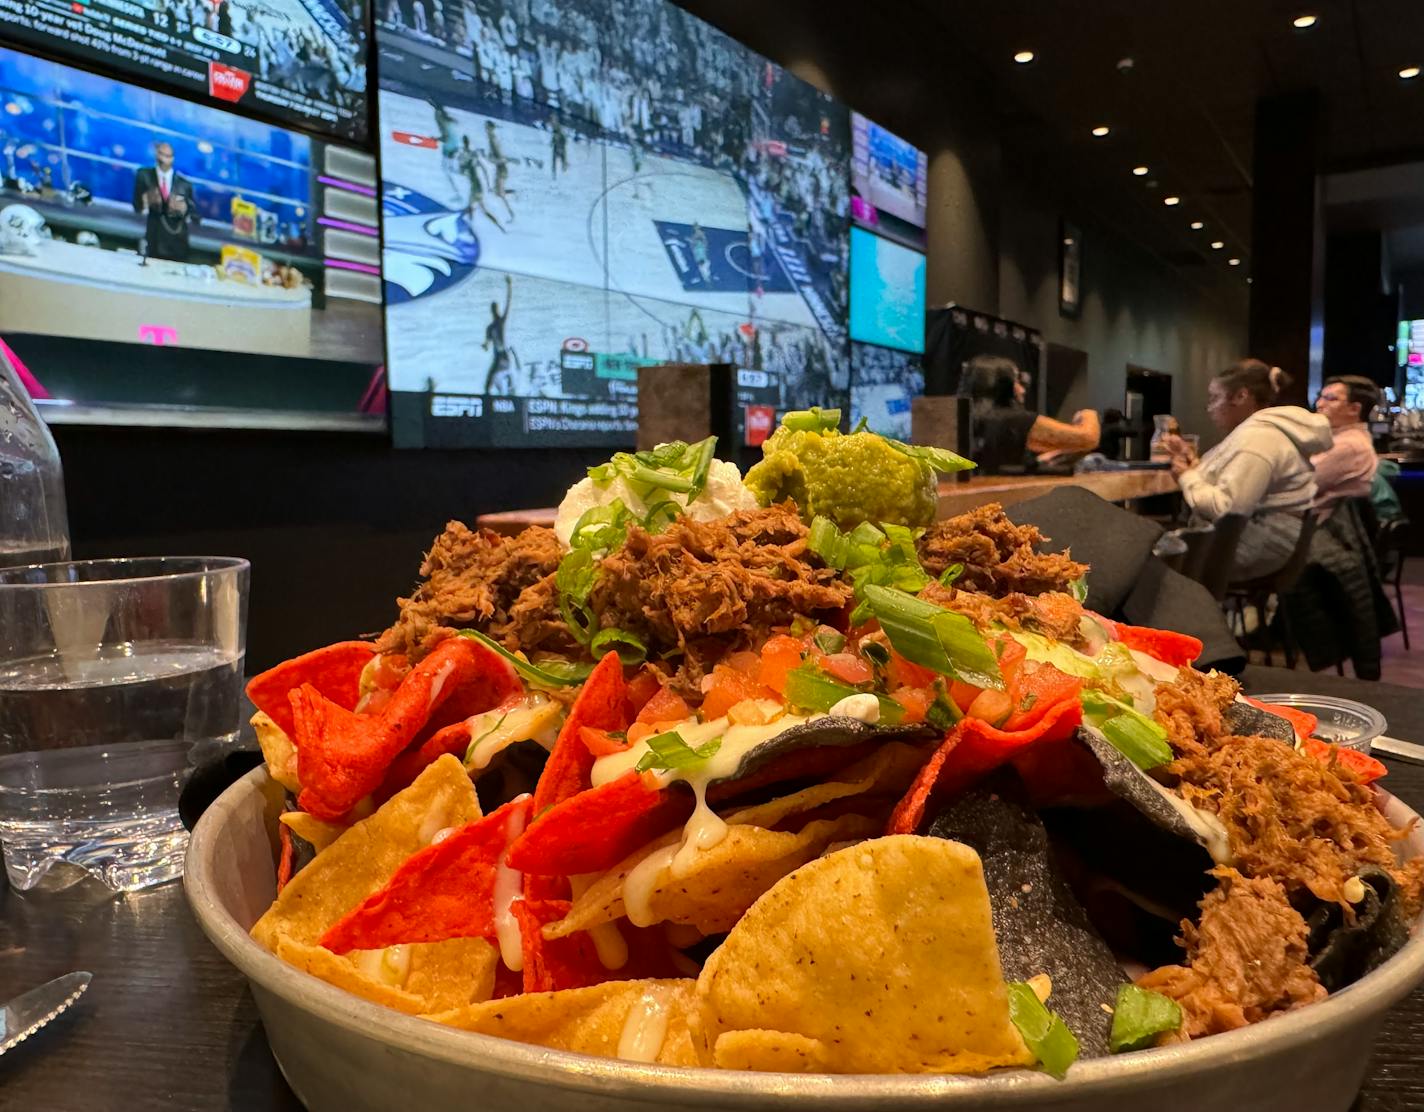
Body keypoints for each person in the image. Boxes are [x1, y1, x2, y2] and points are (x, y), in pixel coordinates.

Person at [1161, 359, 1332, 580]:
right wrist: (1192, 464)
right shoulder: (1262, 432)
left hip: (1255, 543)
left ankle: (1188, 613)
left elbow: (1226, 510)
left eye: (1215, 398)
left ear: (1241, 396)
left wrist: (1187, 476)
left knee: (1144, 561)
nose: (1210, 408)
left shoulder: (1258, 439)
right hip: (1271, 540)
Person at [958, 355, 1100, 473]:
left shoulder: (958, 418)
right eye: (1017, 381)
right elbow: (1088, 438)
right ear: (1005, 386)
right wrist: (1088, 414)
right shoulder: (1017, 420)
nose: (1022, 390)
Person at [1311, 375, 1380, 511]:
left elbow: (1298, 484)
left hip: (1316, 527)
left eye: (1331, 399)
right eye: (1320, 397)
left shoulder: (1350, 445)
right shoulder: (1339, 438)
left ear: (1354, 409)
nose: (1319, 404)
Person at [132, 141, 199, 262]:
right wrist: (147, 201)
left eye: (167, 156)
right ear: (156, 155)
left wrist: (183, 210)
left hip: (176, 243)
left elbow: (195, 217)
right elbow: (137, 207)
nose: (163, 159)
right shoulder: (144, 175)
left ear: (172, 159)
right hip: (153, 241)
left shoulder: (184, 184)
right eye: (161, 154)